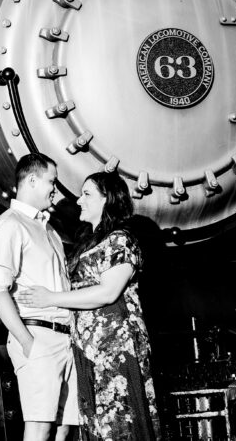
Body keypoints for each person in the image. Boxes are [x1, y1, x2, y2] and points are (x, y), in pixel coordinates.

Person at [18, 171, 160, 441]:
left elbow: (108, 292)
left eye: (87, 194)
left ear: (108, 199)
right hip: (89, 350)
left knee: (120, 424)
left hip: (114, 349)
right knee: (97, 425)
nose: (79, 201)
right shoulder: (88, 243)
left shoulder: (121, 240)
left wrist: (50, 298)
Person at [0, 153, 79, 441]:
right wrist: (27, 341)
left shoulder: (48, 228)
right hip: (39, 336)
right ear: (33, 180)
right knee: (39, 428)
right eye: (52, 181)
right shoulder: (10, 224)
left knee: (64, 428)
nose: (55, 188)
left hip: (65, 338)